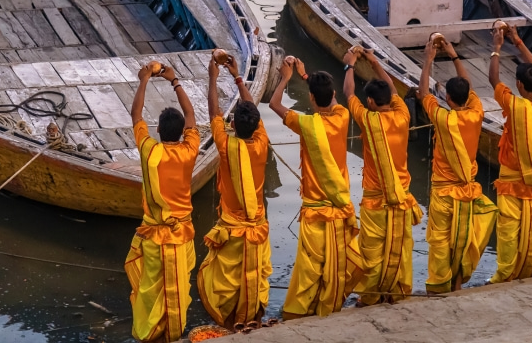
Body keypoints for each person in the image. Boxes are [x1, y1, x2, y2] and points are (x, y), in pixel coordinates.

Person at [269, 56, 363, 319]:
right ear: (333, 94)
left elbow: (274, 104)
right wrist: (306, 75)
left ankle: (300, 313)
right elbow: (329, 99)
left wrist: (287, 77)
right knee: (336, 264)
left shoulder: (307, 125)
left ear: (310, 99)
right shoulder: (343, 116)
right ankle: (330, 304)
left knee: (310, 267)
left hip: (314, 212)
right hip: (339, 209)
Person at [124, 62, 200, 343]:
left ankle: (150, 333)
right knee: (178, 287)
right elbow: (191, 113)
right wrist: (174, 80)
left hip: (155, 238)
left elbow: (135, 115)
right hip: (182, 236)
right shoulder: (190, 150)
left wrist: (144, 80)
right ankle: (173, 332)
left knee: (151, 288)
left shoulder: (148, 150)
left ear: (157, 129)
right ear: (182, 132)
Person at [197, 53, 272, 329]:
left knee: (224, 282)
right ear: (256, 126)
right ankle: (251, 317)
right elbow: (251, 107)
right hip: (257, 227)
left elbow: (214, 112)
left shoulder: (227, 147)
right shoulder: (262, 141)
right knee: (254, 276)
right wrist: (238, 77)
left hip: (232, 228)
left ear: (233, 127)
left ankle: (231, 323)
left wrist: (213, 77)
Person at [343, 47, 422, 305]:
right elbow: (392, 89)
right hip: (402, 197)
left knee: (372, 252)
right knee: (400, 249)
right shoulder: (403, 115)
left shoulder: (367, 119)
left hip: (376, 201)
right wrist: (374, 61)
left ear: (371, 103)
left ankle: (369, 298)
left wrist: (350, 64)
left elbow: (348, 92)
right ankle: (397, 292)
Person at [418, 35, 497, 293]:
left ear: (448, 99)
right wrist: (453, 55)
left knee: (441, 242)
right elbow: (470, 88)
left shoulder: (443, 118)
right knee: (460, 240)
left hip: (443, 192)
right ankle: (457, 284)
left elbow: (422, 94)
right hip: (465, 191)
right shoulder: (476, 114)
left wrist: (428, 61)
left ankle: (437, 286)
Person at [487, 25, 532, 283]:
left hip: (512, 179)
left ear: (517, 84)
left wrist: (496, 48)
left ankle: (506, 275)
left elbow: (494, 80)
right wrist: (518, 41)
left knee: (508, 231)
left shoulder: (514, 106)